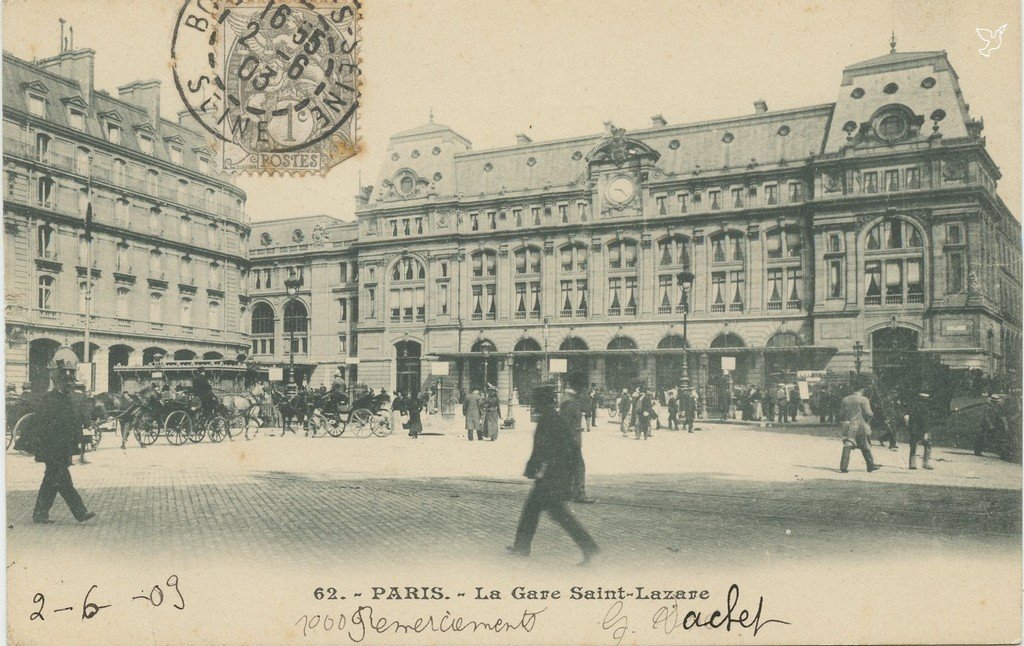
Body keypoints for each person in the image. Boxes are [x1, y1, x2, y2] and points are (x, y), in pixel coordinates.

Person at [508, 383, 599, 565]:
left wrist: (533, 468)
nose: (534, 405)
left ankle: (587, 545)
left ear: (542, 401)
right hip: (554, 475)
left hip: (552, 477)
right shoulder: (554, 417)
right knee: (532, 510)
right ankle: (521, 545)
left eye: (535, 401)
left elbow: (541, 449)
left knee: (559, 515)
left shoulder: (548, 419)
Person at [28, 368, 96, 524]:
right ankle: (80, 512)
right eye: (66, 382)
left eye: (71, 381)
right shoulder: (48, 400)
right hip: (52, 449)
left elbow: (70, 424)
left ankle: (40, 514)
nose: (70, 384)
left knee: (51, 482)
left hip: (60, 449)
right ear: (57, 383)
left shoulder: (66, 399)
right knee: (64, 482)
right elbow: (44, 427)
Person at [560, 387, 594, 503]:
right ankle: (579, 493)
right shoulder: (571, 403)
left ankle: (568, 491)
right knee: (579, 466)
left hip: (570, 440)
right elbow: (567, 423)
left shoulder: (568, 401)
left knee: (571, 465)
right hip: (572, 440)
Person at [839, 380, 881, 473]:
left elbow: (841, 414)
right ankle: (870, 465)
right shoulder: (864, 399)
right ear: (861, 389)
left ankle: (843, 467)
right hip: (861, 425)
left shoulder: (845, 399)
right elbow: (869, 413)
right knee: (865, 444)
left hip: (849, 425)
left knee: (848, 444)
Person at [905, 392, 934, 470]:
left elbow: (908, 418)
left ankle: (912, 464)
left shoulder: (913, 406)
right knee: (928, 445)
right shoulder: (926, 409)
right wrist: (926, 432)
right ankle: (925, 463)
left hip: (914, 430)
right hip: (923, 430)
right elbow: (926, 422)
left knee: (913, 447)